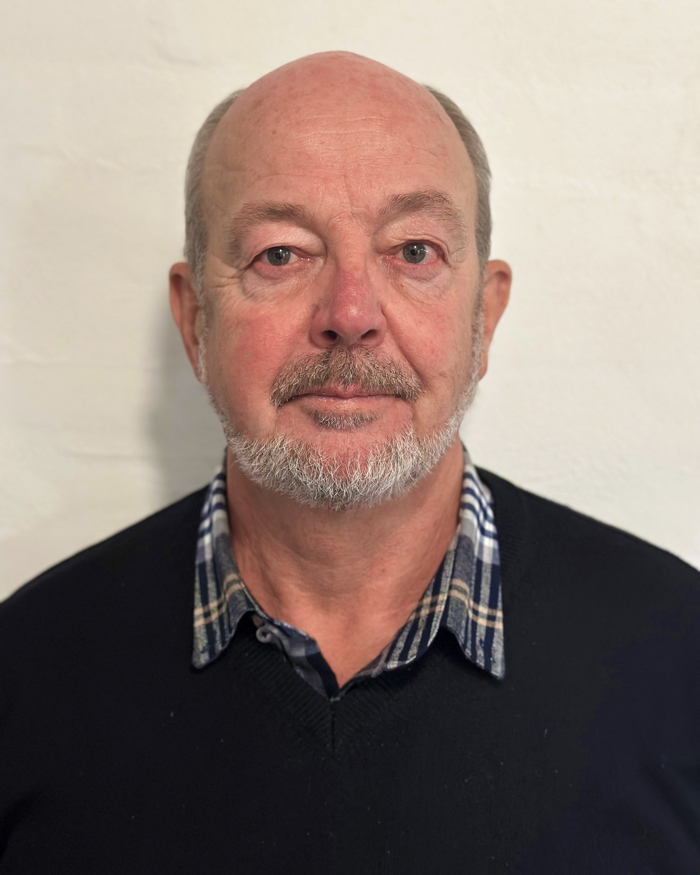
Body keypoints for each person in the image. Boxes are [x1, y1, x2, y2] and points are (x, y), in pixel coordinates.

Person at [1, 51, 698, 873]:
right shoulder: (26, 673)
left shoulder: (678, 657)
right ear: (195, 322)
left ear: (485, 317)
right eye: (281, 254)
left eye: (413, 250)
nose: (351, 313)